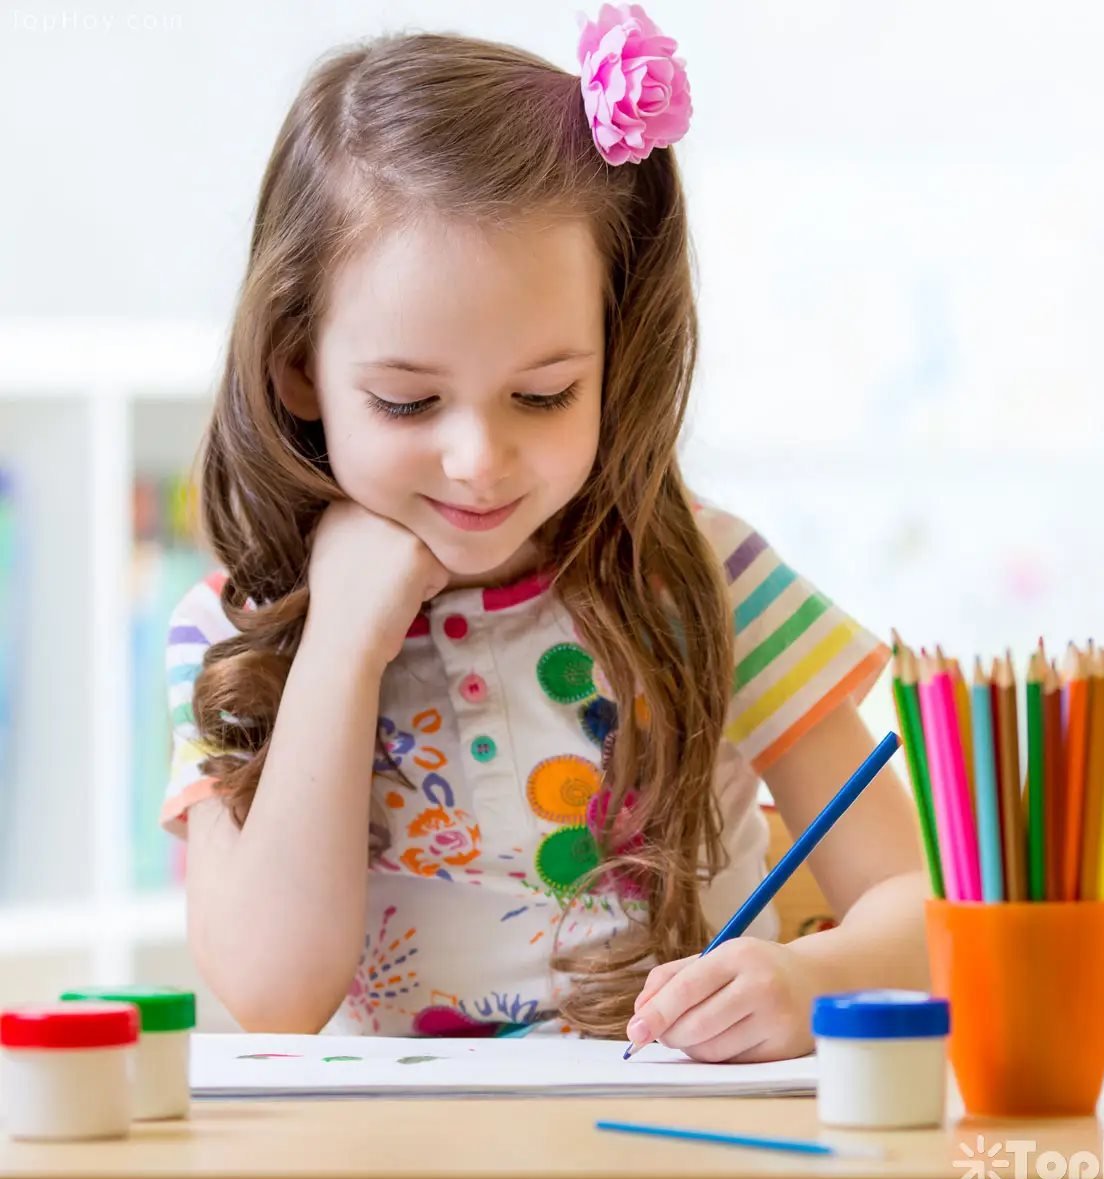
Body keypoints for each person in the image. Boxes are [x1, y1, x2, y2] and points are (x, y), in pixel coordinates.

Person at [161, 4, 928, 1063]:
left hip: (675, 1153)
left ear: (617, 355)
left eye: (542, 395)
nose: (479, 458)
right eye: (406, 402)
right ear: (299, 365)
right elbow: (274, 992)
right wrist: (341, 632)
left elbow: (929, 910)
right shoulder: (232, 634)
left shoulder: (708, 577)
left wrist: (813, 978)